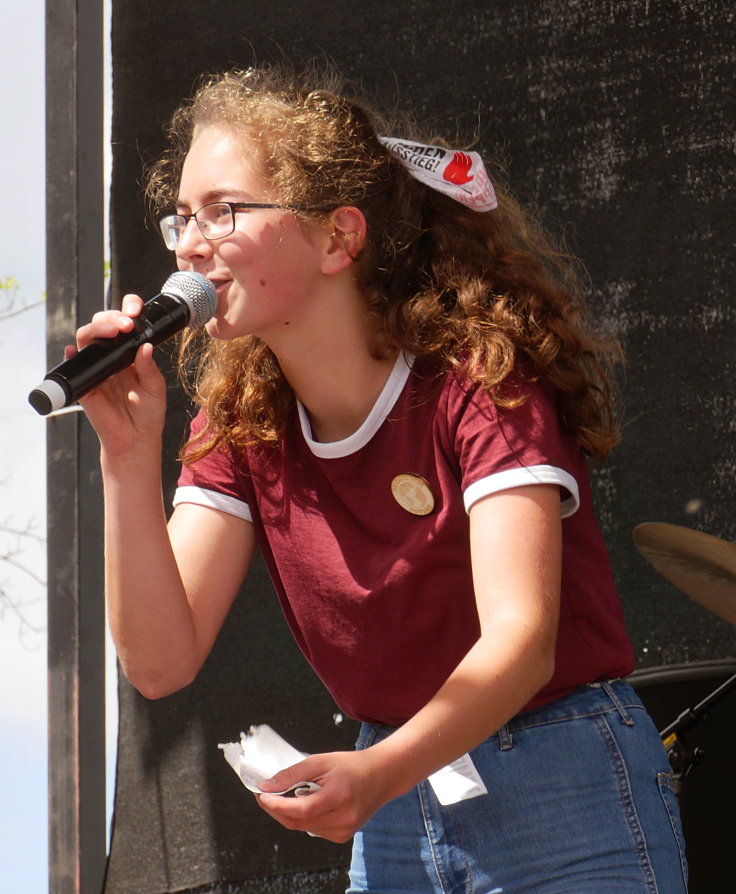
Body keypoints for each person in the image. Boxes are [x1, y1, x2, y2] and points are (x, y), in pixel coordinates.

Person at [73, 65, 688, 892]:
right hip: (395, 796)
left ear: (338, 238)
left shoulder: (478, 381)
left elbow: (521, 642)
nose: (188, 242)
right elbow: (158, 663)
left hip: (557, 771)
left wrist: (382, 773)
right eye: (180, 216)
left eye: (223, 210)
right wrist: (123, 454)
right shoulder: (242, 420)